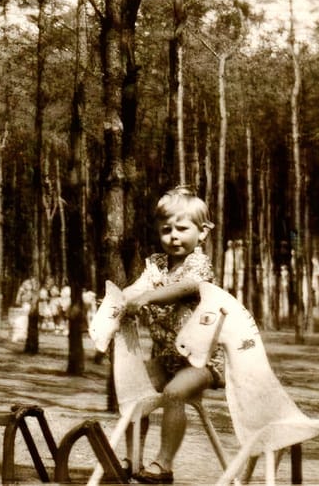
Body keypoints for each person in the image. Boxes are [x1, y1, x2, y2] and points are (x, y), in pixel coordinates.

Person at [120, 185, 225, 484]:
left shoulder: (199, 264)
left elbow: (186, 287)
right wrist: (122, 299)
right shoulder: (156, 264)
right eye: (166, 229)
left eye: (182, 228)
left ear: (202, 233)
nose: (174, 236)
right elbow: (138, 288)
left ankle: (164, 464)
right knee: (132, 388)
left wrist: (149, 298)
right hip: (166, 359)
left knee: (174, 393)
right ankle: (133, 458)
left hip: (200, 363)